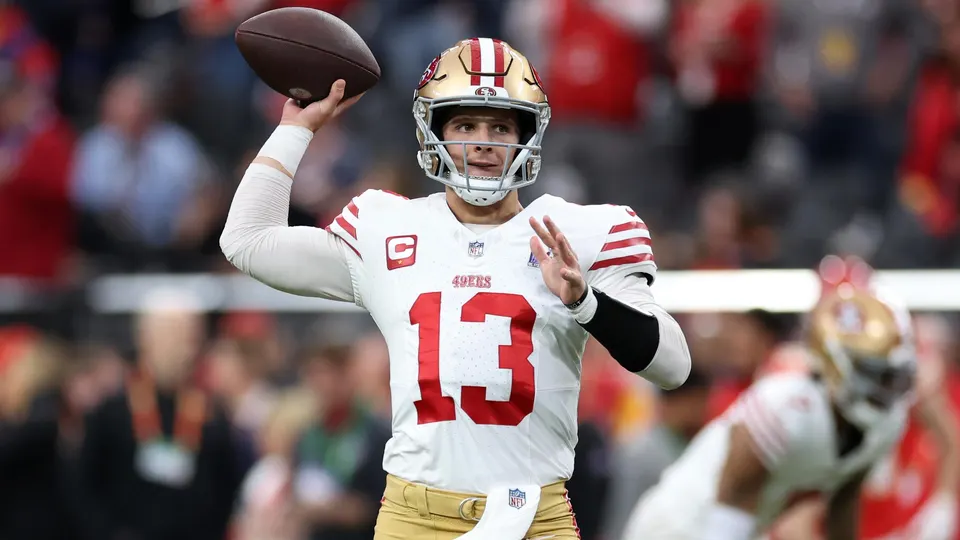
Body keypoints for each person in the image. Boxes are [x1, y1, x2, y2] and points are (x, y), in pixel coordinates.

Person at [220, 38, 691, 540]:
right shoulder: (387, 226)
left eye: (501, 126)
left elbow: (674, 367)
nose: (484, 142)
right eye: (465, 125)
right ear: (433, 132)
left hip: (534, 517)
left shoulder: (578, 233)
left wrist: (585, 302)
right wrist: (296, 129)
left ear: (528, 135)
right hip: (414, 517)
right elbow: (247, 240)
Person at [622, 259, 917, 540]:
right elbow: (728, 510)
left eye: (892, 375)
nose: (886, 387)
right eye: (874, 372)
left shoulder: (887, 424)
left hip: (742, 525)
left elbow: (844, 499)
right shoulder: (785, 406)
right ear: (835, 363)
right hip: (681, 526)